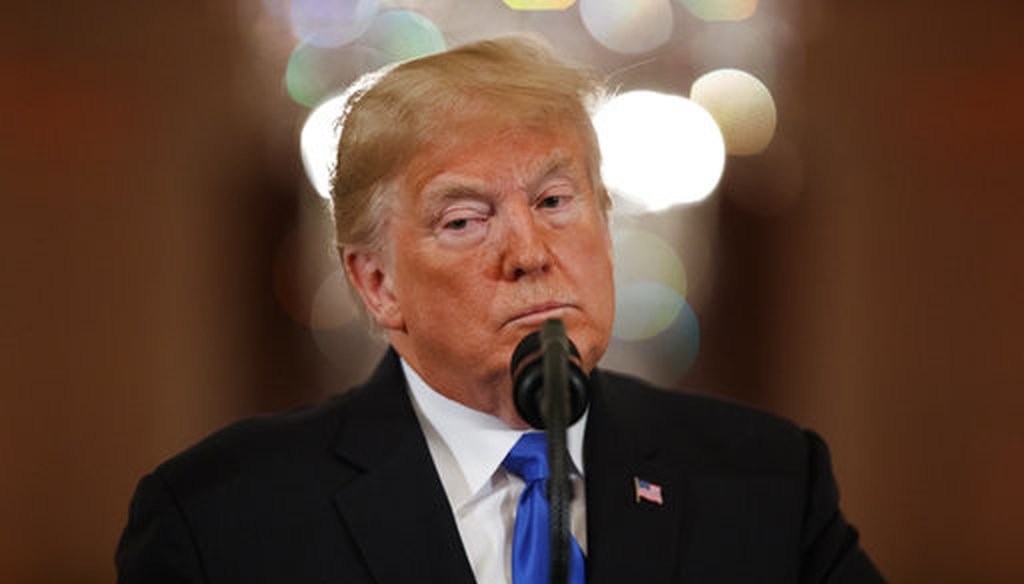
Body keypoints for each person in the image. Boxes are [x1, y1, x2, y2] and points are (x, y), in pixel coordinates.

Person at [116, 37, 885, 583]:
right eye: (464, 220)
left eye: (555, 201)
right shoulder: (222, 520)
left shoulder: (769, 484)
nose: (529, 251)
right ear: (377, 283)